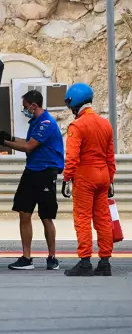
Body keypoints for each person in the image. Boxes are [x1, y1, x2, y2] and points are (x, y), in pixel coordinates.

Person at [0, 89, 64, 271]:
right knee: (24, 213)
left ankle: (52, 257)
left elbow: (28, 146)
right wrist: (8, 136)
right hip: (31, 171)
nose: (24, 110)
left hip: (45, 172)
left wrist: (4, 143)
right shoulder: (36, 122)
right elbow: (27, 140)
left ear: (34, 105)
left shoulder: (46, 123)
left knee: (46, 216)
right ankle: (26, 257)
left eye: (25, 106)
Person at [61, 83, 116, 277]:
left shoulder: (77, 126)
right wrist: (110, 179)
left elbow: (72, 157)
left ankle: (85, 262)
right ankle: (105, 262)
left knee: (83, 218)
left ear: (75, 102)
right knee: (102, 219)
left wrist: (67, 178)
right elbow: (110, 156)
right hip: (103, 176)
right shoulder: (105, 124)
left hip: (85, 176)